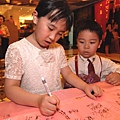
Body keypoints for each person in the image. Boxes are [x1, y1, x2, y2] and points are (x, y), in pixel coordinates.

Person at [4, 0, 102, 117]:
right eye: (50, 28)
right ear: (35, 17)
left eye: (59, 33)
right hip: (30, 106)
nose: (52, 37)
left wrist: (85, 86)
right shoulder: (17, 49)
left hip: (57, 104)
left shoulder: (58, 48)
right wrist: (38, 101)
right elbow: (10, 88)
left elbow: (67, 74)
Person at [68, 19, 120, 87]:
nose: (86, 46)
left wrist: (118, 75)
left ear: (99, 43)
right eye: (81, 42)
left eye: (92, 42)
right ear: (76, 42)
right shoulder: (70, 64)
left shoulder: (104, 62)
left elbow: (118, 68)